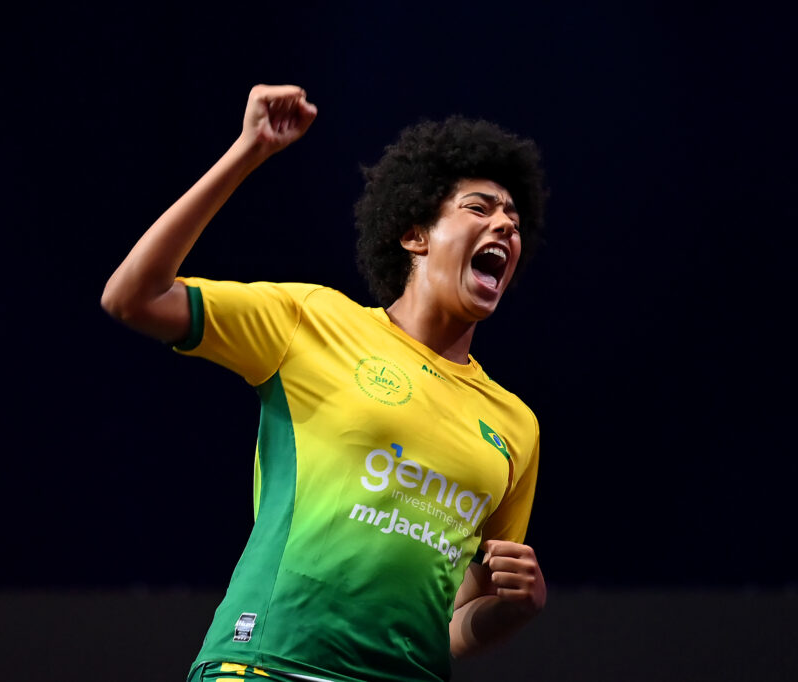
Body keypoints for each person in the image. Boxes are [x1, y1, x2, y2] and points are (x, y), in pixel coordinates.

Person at [102, 84, 548, 682]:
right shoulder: (311, 320)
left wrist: (515, 610)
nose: (504, 226)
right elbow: (134, 297)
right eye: (479, 208)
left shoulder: (516, 427)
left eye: (514, 221)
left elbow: (446, 628)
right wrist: (247, 151)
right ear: (415, 235)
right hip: (266, 666)